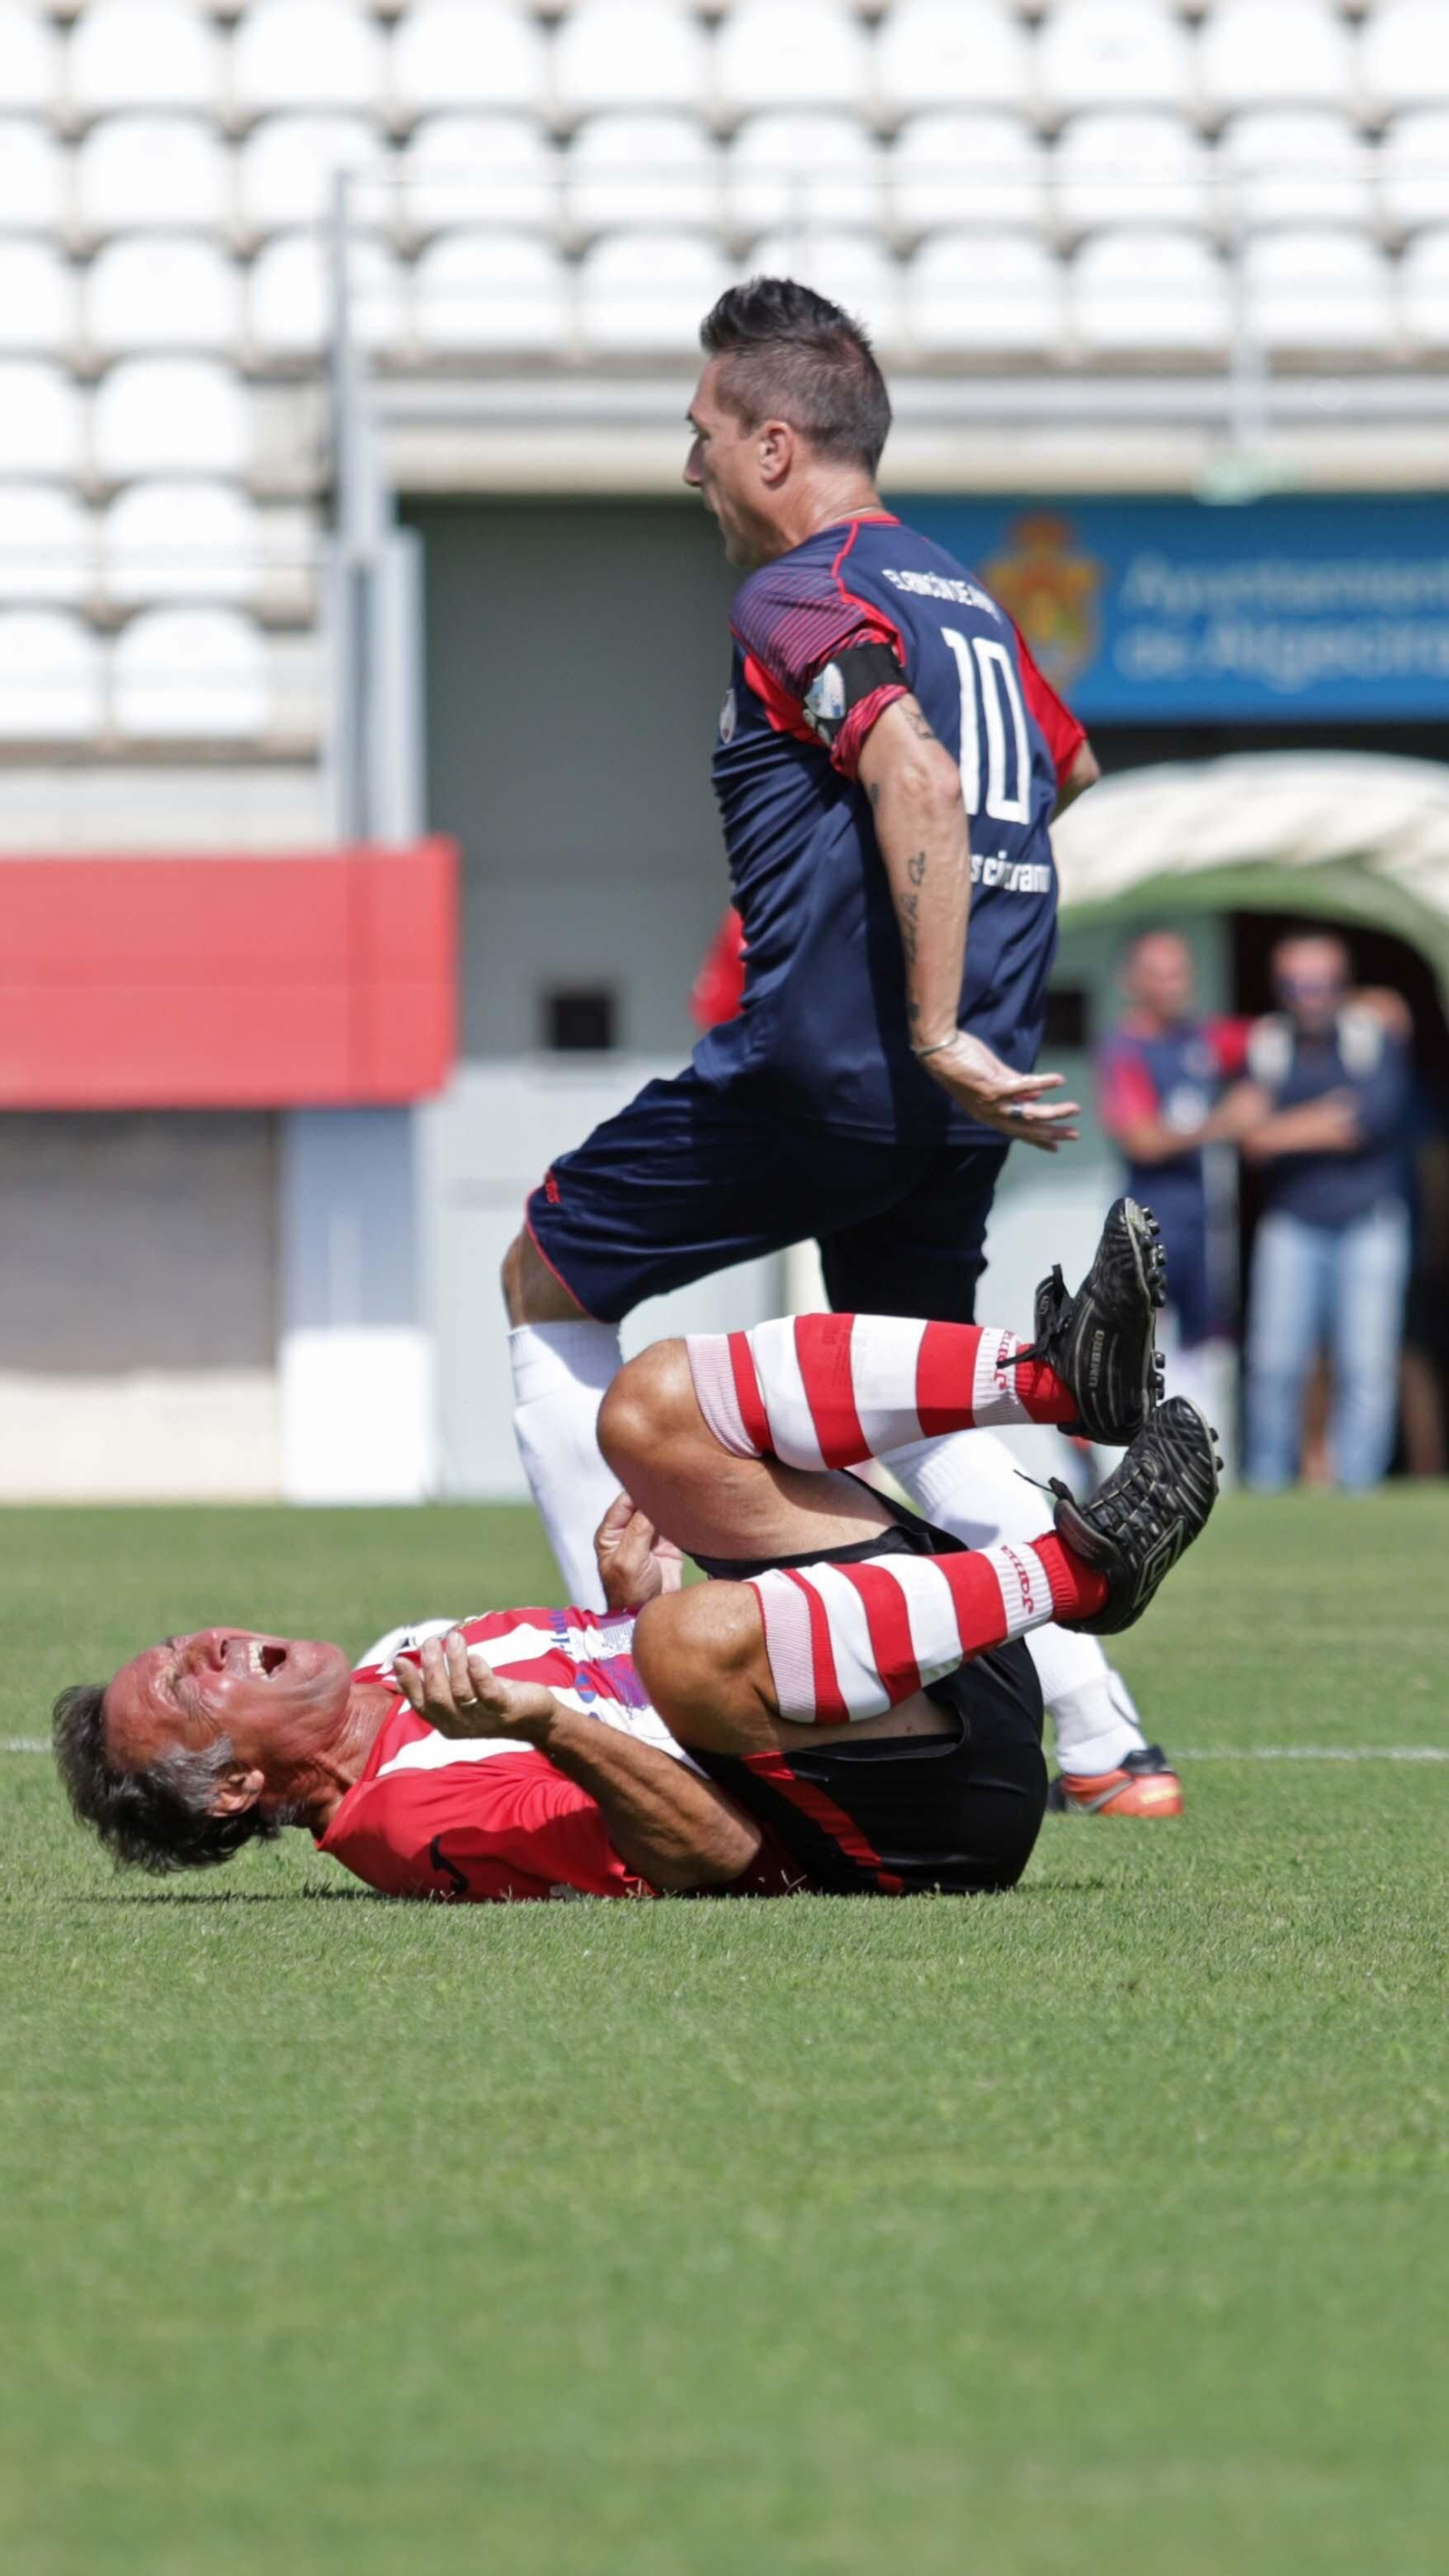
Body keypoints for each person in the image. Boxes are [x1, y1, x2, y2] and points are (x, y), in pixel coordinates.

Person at [502, 276, 1183, 1818]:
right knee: (921, 1402)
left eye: (701, 437)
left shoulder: (800, 590)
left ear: (773, 447)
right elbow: (1057, 767)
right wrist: (957, 980)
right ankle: (1108, 1742)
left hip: (843, 1068)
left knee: (547, 1283)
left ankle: (638, 1694)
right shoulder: (965, 598)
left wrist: (922, 1012)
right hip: (956, 1091)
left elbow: (919, 776)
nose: (689, 470)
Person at [54, 1207, 1218, 1902]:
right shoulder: (406, 1826)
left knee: (645, 1406)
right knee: (681, 1641)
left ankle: (1052, 1379)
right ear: (240, 1788)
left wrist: (623, 1613)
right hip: (925, 1821)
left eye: (177, 1644)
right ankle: (1081, 1577)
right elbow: (719, 1855)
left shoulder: (403, 1658)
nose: (202, 1642)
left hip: (895, 1679)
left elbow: (657, 1674)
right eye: (184, 1684)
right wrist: (558, 1719)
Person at [1243, 934, 1413, 1491]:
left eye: (1321, 984)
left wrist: (1285, 1129)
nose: (1309, 995)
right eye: (1296, 984)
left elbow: (1368, 1121)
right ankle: (1268, 1486)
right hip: (1292, 1223)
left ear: (1343, 985)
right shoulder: (1268, 1043)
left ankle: (1358, 1490)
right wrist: (1323, 1120)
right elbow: (1250, 1135)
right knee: (1275, 1367)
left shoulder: (1370, 1035)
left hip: (1369, 1221)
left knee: (1365, 1368)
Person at [1096, 929, 1261, 1423]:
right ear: (1132, 981)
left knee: (1206, 1341)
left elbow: (1275, 1036)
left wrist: (1368, 1003)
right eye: (1159, 973)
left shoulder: (1202, 1037)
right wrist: (1221, 1124)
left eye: (1180, 972)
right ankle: (1138, 1451)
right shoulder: (1124, 1048)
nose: (1173, 984)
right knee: (1143, 1338)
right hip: (1151, 1214)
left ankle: (1196, 1446)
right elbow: (1140, 1139)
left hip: (1205, 1218)